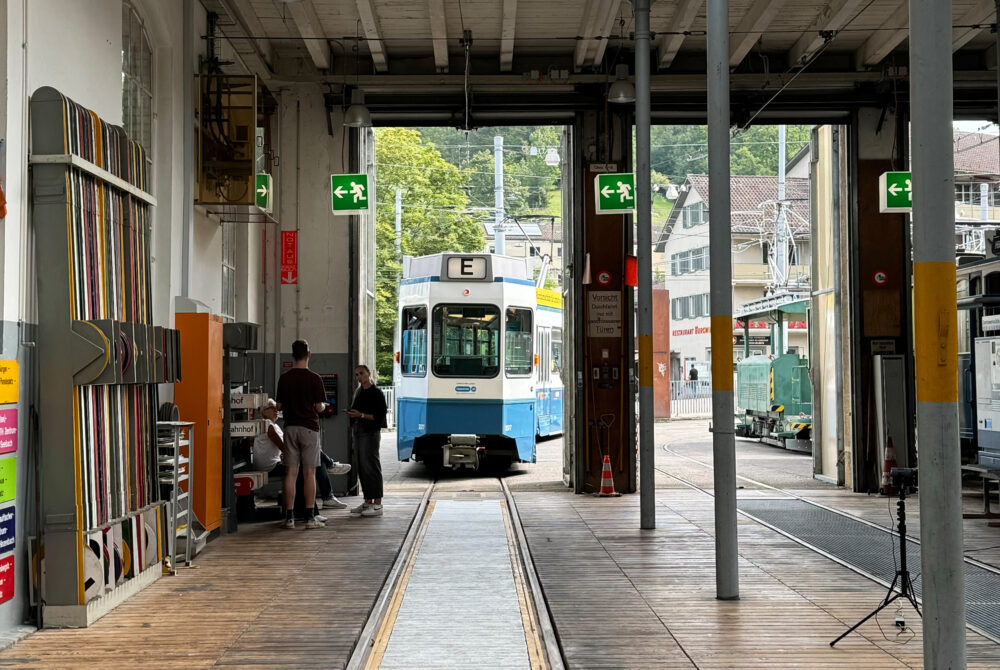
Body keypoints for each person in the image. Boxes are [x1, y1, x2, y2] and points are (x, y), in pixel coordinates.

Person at [252, 400, 351, 522]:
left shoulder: (269, 425)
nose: (276, 410)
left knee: (312, 460)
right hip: (270, 466)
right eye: (271, 408)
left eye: (275, 407)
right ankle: (317, 506)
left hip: (274, 463)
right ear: (263, 412)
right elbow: (279, 442)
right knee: (307, 467)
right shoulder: (266, 424)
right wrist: (293, 452)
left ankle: (318, 503)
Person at [275, 339, 327, 529]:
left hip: (290, 428)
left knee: (290, 473)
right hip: (309, 429)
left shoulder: (285, 378)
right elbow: (319, 407)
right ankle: (310, 517)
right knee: (309, 473)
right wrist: (321, 406)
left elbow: (279, 406)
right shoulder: (315, 378)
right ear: (309, 354)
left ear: (292, 355)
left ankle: (289, 518)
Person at [346, 365, 387, 518]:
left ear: (369, 374)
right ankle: (367, 500)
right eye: (357, 374)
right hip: (358, 431)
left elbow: (379, 416)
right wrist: (352, 415)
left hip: (370, 433)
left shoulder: (376, 393)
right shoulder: (359, 392)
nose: (359, 377)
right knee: (362, 467)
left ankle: (377, 502)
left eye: (362, 373)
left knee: (371, 465)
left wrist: (361, 415)